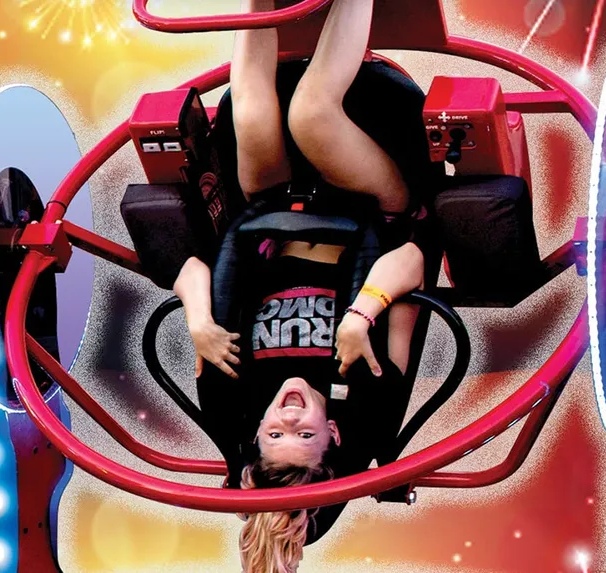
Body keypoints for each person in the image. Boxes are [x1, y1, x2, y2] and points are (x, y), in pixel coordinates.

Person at [173, 1, 425, 571]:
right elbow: (413, 265)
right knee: (311, 114)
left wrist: (198, 323)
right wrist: (361, 317)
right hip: (373, 205)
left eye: (275, 432)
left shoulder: (231, 398)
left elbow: (191, 271)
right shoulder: (368, 403)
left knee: (256, 120)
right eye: (303, 434)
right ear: (331, 433)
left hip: (272, 209)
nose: (288, 414)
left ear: (256, 434)